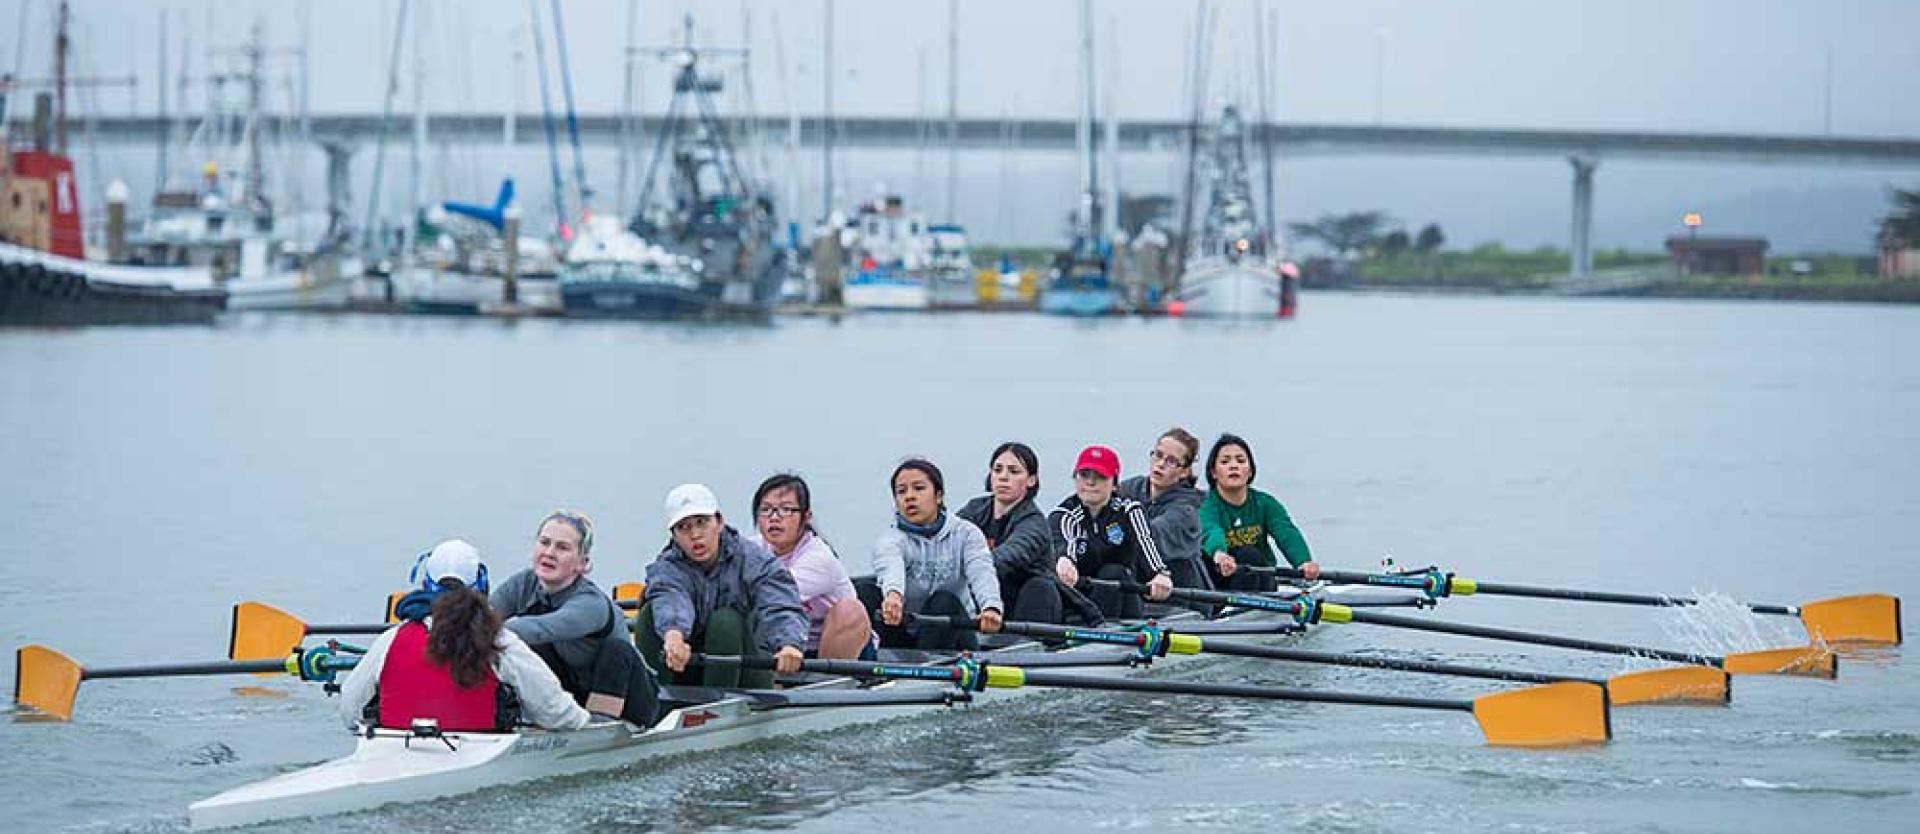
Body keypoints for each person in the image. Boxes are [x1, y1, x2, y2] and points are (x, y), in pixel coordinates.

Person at [339, 539, 591, 732]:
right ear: (481, 586)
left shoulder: (391, 639)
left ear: (426, 584)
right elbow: (556, 712)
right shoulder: (500, 642)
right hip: (480, 750)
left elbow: (350, 712)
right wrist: (586, 723)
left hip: (393, 748)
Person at [489, 510, 661, 727]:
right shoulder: (523, 583)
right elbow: (485, 614)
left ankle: (603, 727)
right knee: (532, 649)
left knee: (616, 650)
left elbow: (539, 629)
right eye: (545, 543)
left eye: (562, 548)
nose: (549, 553)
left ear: (582, 563)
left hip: (631, 699)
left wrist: (479, 633)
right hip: (576, 692)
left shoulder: (591, 604)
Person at [635, 484, 808, 689]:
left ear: (719, 522)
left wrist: (789, 645)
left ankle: (716, 702)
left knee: (725, 621)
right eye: (684, 527)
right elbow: (671, 597)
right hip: (687, 667)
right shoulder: (667, 567)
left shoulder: (754, 560)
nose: (695, 535)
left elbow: (780, 604)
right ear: (674, 535)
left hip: (746, 670)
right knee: (648, 615)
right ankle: (654, 697)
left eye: (702, 522)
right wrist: (673, 635)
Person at [867, 458, 1005, 650]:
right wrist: (893, 597)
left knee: (943, 601)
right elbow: (890, 567)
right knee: (865, 591)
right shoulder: (891, 540)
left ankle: (926, 670)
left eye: (918, 488)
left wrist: (991, 607)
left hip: (955, 635)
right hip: (906, 632)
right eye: (901, 491)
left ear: (938, 496)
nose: (909, 497)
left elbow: (982, 573)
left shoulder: (966, 533)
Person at [955, 442, 1097, 625]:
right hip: (986, 606)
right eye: (998, 470)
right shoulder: (975, 509)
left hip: (1031, 608)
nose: (1003, 477)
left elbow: (1007, 557)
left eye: (1014, 471)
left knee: (1038, 587)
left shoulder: (1034, 523)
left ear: (1031, 480)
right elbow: (948, 538)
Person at [746, 473, 876, 660]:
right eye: (766, 510)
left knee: (850, 609)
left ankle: (828, 685)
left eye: (786, 510)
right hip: (786, 646)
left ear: (806, 517)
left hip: (840, 650)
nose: (774, 518)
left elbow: (775, 595)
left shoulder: (819, 558)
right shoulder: (752, 549)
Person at [1048, 445, 1176, 619]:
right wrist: (1065, 560)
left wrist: (1159, 574)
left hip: (1124, 599)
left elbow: (1145, 542)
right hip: (1079, 602)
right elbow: (1066, 543)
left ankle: (1106, 633)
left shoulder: (1130, 511)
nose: (1090, 482)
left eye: (1100, 477)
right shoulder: (1063, 515)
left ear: (1114, 484)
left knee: (1113, 572)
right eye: (1084, 475)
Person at [1200, 433, 1321, 592]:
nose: (1233, 466)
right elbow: (1210, 530)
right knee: (1246, 554)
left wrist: (1303, 562)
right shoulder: (1206, 505)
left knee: (1252, 557)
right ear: (1213, 473)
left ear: (1250, 471)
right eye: (1225, 462)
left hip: (1261, 577)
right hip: (1220, 581)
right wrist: (1220, 554)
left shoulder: (1265, 503)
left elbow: (1286, 532)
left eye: (1241, 461)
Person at [1116, 427, 1213, 593]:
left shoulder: (1186, 510)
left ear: (1184, 472)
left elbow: (1147, 537)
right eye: (1158, 455)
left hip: (1183, 595)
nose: (1160, 464)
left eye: (1171, 461)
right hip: (1143, 586)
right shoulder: (1131, 489)